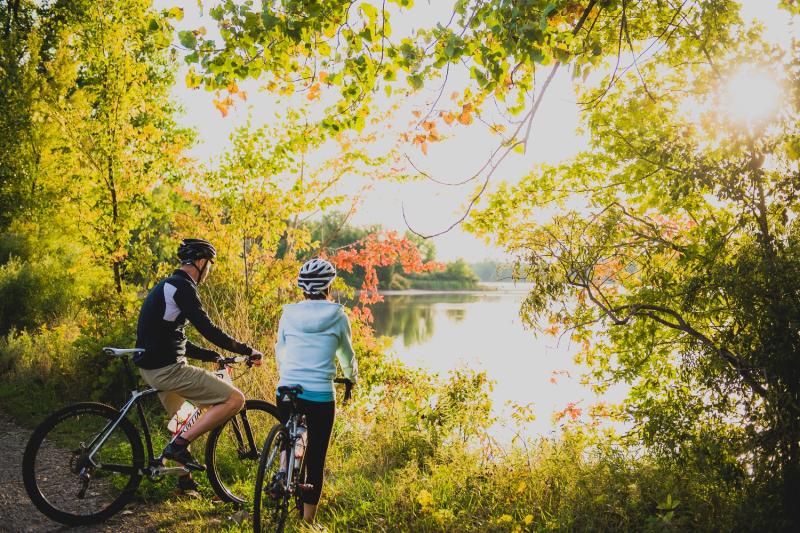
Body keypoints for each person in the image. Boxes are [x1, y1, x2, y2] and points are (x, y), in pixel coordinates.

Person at [134, 238, 263, 493]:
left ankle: (185, 482)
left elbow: (175, 338)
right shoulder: (183, 287)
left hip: (152, 368)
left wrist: (211, 355)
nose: (209, 271)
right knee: (235, 399)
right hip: (168, 370)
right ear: (201, 262)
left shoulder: (167, 286)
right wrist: (247, 349)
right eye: (210, 265)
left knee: (184, 419)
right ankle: (179, 447)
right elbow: (208, 328)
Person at [272, 258, 357, 523]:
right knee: (316, 458)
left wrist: (286, 374)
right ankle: (308, 522)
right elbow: (346, 355)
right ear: (328, 286)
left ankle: (282, 471)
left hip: (287, 388)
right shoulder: (338, 316)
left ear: (302, 287)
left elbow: (280, 350)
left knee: (288, 434)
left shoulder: (289, 313)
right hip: (320, 395)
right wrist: (351, 378)